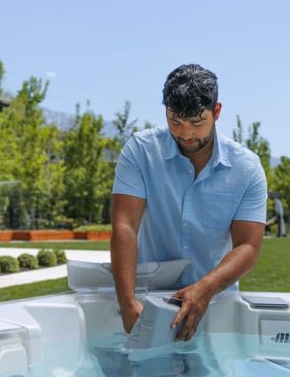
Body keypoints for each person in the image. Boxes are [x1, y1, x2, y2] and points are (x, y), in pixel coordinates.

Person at [110, 63, 267, 341]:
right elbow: (124, 226)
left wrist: (206, 288)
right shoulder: (140, 151)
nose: (185, 134)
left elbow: (248, 246)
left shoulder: (246, 167)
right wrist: (127, 302)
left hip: (216, 300)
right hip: (150, 297)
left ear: (216, 112)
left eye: (197, 123)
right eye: (176, 121)